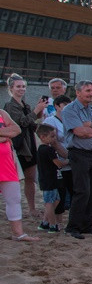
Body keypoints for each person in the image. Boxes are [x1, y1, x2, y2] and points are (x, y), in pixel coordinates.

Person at [61, 80, 92, 239]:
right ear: (77, 92)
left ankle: (87, 225)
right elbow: (81, 132)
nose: (91, 93)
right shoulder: (70, 110)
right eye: (88, 90)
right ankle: (73, 227)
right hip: (79, 154)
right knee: (82, 191)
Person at [4, 73, 41, 217]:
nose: (22, 89)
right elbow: (22, 123)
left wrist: (38, 111)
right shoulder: (10, 105)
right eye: (18, 86)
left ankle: (31, 208)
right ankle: (16, 208)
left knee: (30, 178)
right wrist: (36, 111)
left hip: (29, 144)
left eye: (23, 86)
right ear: (11, 88)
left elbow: (31, 125)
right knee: (11, 179)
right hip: (18, 146)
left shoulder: (25, 105)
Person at [0, 107, 40, 241]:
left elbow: (16, 130)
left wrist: (6, 135)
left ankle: (18, 233)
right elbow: (10, 131)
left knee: (14, 198)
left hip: (6, 164)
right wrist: (5, 134)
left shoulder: (2, 112)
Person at [36, 124, 67, 233]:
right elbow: (58, 163)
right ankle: (52, 225)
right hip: (49, 180)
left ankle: (45, 222)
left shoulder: (42, 149)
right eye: (52, 136)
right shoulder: (47, 150)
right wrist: (68, 161)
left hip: (49, 179)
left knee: (56, 199)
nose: (54, 139)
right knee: (49, 202)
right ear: (43, 137)